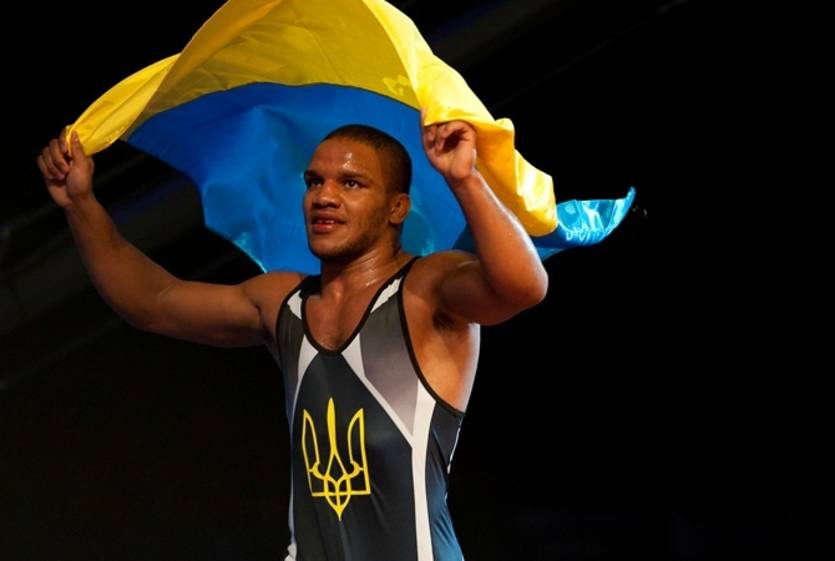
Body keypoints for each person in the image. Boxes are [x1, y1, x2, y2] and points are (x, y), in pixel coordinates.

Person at [36, 115, 548, 561]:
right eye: (314, 181)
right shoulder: (283, 303)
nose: (324, 196)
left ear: (397, 208)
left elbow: (523, 287)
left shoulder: (426, 289)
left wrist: (464, 178)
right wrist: (80, 204)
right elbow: (154, 301)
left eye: (351, 183)